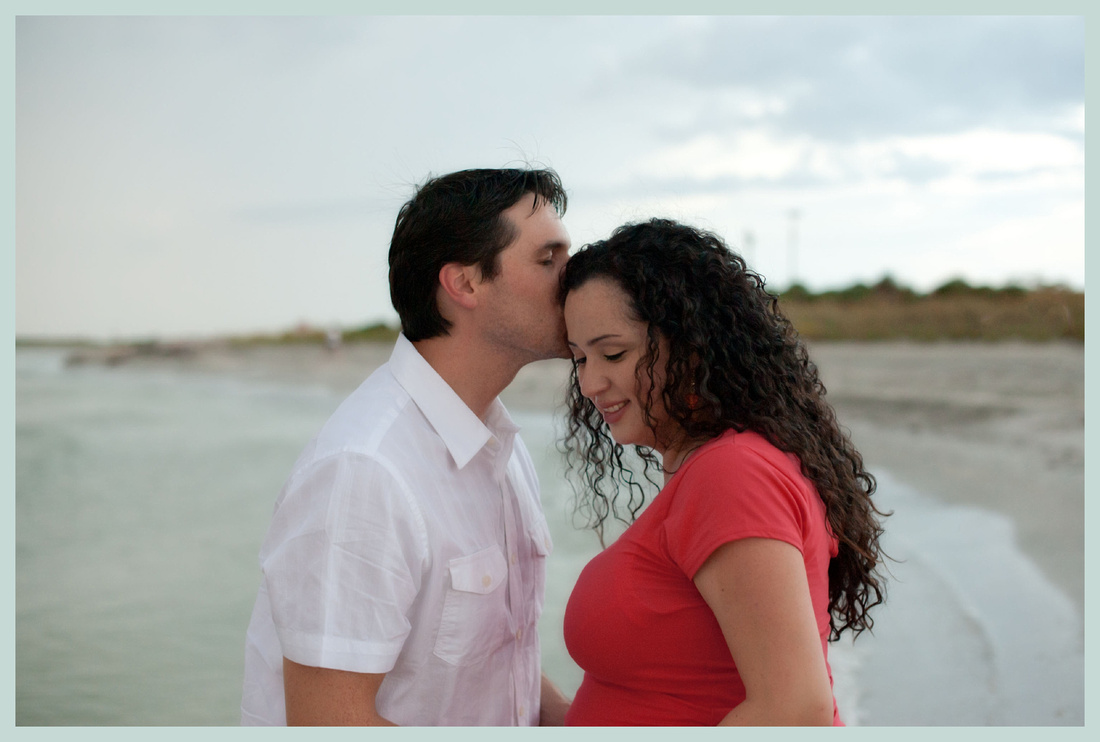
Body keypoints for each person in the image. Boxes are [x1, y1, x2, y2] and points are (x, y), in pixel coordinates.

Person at [240, 168, 574, 726]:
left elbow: (495, 660)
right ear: (464, 284)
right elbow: (331, 724)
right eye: (549, 260)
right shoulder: (364, 472)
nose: (575, 277)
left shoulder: (502, 447)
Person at [558, 218, 888, 726]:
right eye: (579, 359)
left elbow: (796, 710)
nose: (591, 382)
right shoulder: (715, 468)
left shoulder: (731, 474)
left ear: (691, 344)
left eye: (613, 353)